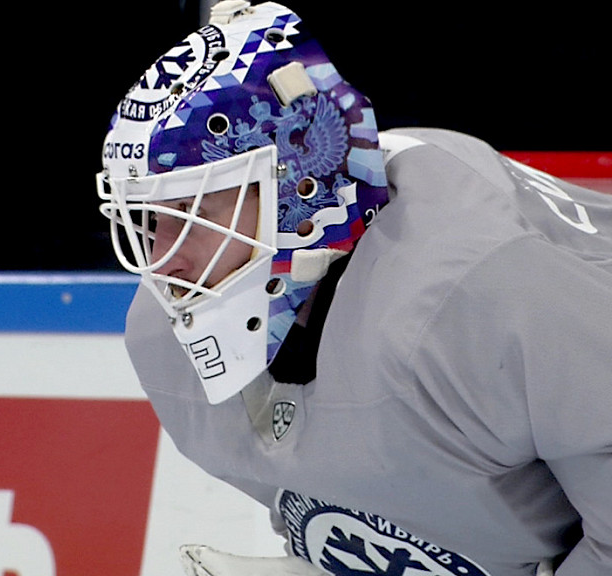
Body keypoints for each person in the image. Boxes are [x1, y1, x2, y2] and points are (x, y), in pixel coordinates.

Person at [95, 1, 612, 575]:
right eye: (148, 218)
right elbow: (328, 494)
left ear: (299, 183)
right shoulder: (159, 336)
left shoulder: (483, 292)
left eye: (193, 211)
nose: (164, 260)